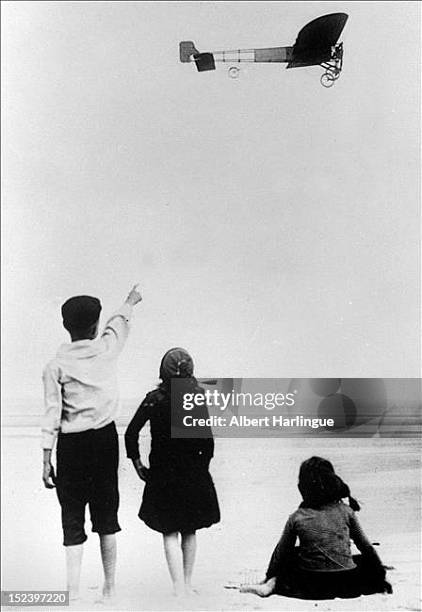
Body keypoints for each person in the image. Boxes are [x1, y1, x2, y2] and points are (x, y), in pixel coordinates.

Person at [41, 284, 143, 602]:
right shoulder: (106, 349)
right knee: (106, 515)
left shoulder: (54, 366)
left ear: (64, 325)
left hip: (70, 446)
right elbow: (118, 326)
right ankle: (109, 589)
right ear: (95, 326)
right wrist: (128, 301)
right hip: (103, 442)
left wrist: (46, 458)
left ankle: (70, 594)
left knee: (71, 516)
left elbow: (51, 414)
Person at [124, 347, 220, 597]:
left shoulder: (153, 398)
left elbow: (131, 432)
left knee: (169, 530)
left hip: (162, 474)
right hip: (192, 472)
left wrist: (138, 465)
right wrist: (202, 469)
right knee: (190, 529)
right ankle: (187, 584)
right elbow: (207, 441)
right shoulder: (196, 397)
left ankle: (178, 588)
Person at [240, 456, 392, 600]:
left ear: (302, 488)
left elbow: (281, 553)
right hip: (347, 584)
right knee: (363, 560)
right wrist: (379, 572)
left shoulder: (297, 517)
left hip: (311, 585)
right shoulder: (346, 511)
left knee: (291, 554)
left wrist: (271, 574)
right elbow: (366, 547)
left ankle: (271, 583)